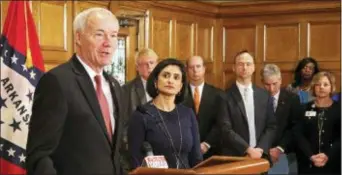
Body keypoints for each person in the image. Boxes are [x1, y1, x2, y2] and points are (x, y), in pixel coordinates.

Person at [26, 8, 124, 175]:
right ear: (78, 37)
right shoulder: (57, 81)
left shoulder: (115, 86)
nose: (108, 42)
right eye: (99, 34)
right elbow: (39, 155)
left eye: (113, 35)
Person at [128, 58, 202, 169]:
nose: (170, 81)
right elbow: (135, 161)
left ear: (181, 87)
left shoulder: (188, 114)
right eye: (166, 76)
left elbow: (196, 158)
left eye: (176, 77)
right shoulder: (142, 115)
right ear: (155, 82)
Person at [217, 50, 277, 160]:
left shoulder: (264, 95)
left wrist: (260, 148)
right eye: (240, 64)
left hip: (260, 156)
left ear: (253, 68)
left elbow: (271, 126)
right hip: (235, 156)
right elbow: (225, 129)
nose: (244, 68)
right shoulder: (224, 97)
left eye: (248, 64)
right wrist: (248, 149)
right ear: (234, 68)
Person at [294, 71, 341, 174]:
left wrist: (328, 155)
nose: (321, 87)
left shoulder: (339, 109)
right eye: (318, 84)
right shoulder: (304, 108)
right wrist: (311, 156)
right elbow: (298, 135)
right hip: (308, 162)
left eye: (325, 84)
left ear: (331, 87)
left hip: (333, 162)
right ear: (313, 87)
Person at [121, 48, 158, 172]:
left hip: (162, 149)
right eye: (145, 64)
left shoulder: (166, 87)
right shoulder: (126, 90)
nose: (149, 67)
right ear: (137, 67)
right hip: (136, 151)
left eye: (152, 63)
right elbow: (123, 123)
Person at [260, 64, 301, 174]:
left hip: (285, 152)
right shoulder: (257, 98)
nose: (271, 89)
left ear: (280, 80)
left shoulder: (292, 99)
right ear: (262, 82)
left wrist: (280, 148)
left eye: (274, 84)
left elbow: (295, 127)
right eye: (267, 85)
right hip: (261, 152)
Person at [183, 55, 222, 159]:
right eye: (191, 67)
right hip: (186, 151)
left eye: (198, 66)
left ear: (204, 69)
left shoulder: (217, 94)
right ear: (187, 70)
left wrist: (207, 144)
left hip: (212, 151)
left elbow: (221, 123)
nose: (195, 70)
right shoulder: (179, 94)